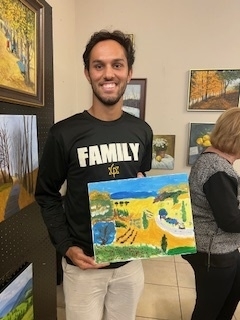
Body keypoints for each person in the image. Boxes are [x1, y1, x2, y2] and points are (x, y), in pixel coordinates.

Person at [35, 30, 153, 320]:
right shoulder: (63, 133)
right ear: (87, 73)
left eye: (117, 64)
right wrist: (66, 247)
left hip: (130, 264)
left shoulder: (142, 131)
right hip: (83, 268)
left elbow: (140, 178)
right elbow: (46, 194)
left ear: (129, 72)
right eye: (98, 65)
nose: (108, 74)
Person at [182, 107, 240, 320]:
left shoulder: (212, 160)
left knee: (229, 298)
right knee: (209, 311)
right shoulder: (217, 169)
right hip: (214, 252)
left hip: (220, 248)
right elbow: (230, 221)